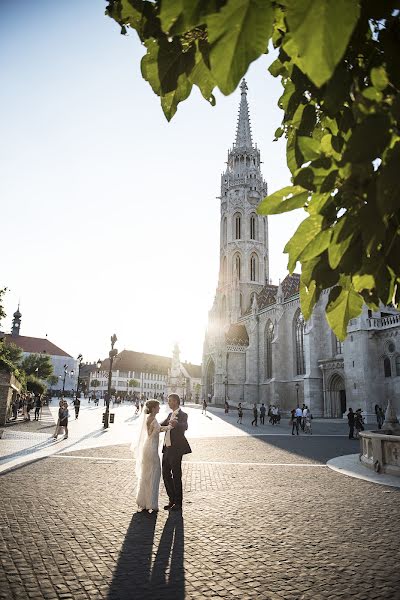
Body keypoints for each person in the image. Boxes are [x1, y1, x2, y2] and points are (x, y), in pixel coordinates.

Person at [133, 399, 170, 512]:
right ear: (153, 408)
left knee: (146, 475)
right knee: (154, 474)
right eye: (158, 407)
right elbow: (160, 430)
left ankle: (143, 501)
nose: (159, 408)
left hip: (147, 447)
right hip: (152, 449)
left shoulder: (149, 419)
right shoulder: (153, 419)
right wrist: (171, 426)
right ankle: (151, 503)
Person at [160, 394, 192, 511]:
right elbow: (161, 425)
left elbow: (185, 426)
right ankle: (171, 499)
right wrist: (151, 423)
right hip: (166, 449)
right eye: (168, 401)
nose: (168, 403)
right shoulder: (169, 415)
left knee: (176, 475)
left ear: (176, 402)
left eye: (170, 401)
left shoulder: (183, 415)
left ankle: (178, 503)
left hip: (176, 449)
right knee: (165, 474)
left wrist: (177, 424)